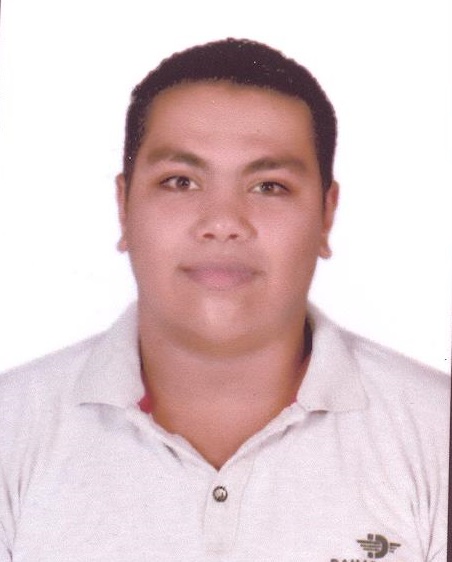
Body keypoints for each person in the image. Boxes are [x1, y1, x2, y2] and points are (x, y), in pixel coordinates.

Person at [0, 38, 448, 562]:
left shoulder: (436, 431)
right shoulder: (12, 430)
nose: (222, 223)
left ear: (326, 215)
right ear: (123, 206)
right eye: (180, 181)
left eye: (268, 186)